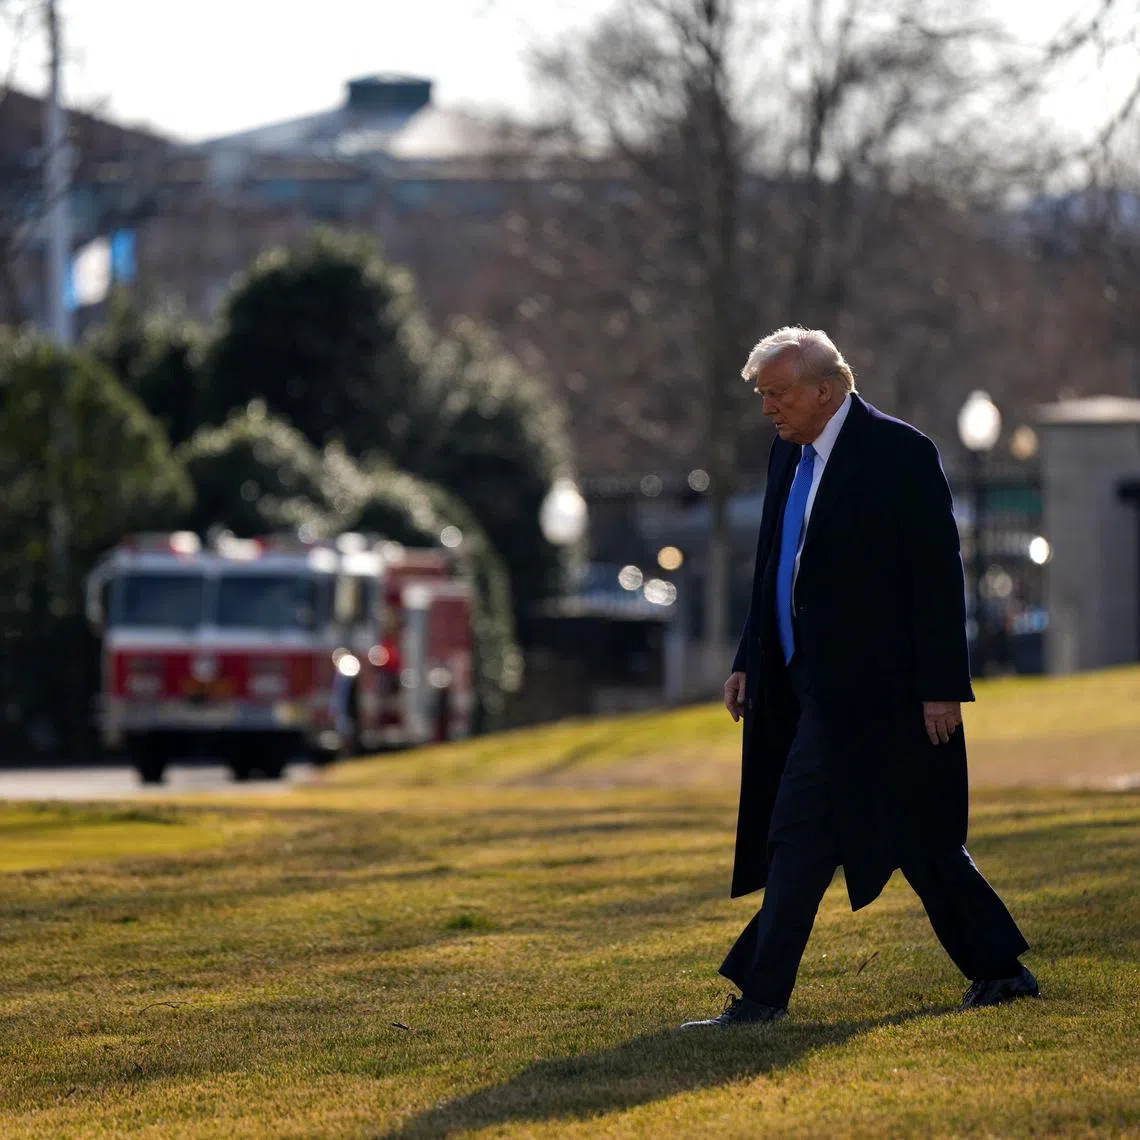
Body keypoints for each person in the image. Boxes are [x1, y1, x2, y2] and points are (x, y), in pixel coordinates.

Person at [682, 327, 1038, 1028]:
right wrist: (749, 659)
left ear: (826, 388)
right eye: (762, 397)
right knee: (917, 839)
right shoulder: (788, 453)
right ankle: (1001, 971)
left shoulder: (900, 453)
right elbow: (775, 567)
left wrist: (942, 686)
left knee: (802, 832)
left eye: (778, 394)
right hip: (807, 687)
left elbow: (938, 578)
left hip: (885, 692)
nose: (768, 410)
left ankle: (760, 998)